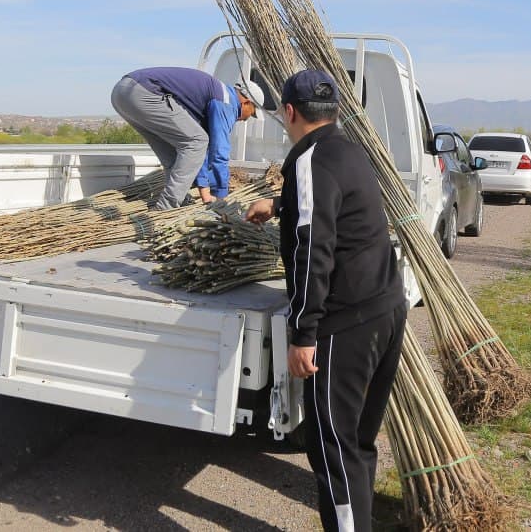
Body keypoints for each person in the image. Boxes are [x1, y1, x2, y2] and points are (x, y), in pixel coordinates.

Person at [246, 69, 407, 532]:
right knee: (356, 445)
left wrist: (303, 333)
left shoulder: (309, 162)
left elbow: (310, 251)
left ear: (289, 112)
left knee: (333, 452)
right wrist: (278, 206)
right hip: (385, 310)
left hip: (346, 325)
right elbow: (338, 208)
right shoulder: (348, 150)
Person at [111, 67, 264, 210]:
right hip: (143, 92)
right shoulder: (226, 102)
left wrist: (205, 195)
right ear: (246, 103)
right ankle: (166, 208)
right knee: (197, 141)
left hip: (122, 93)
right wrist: (221, 198)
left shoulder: (216, 97)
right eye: (252, 113)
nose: (247, 119)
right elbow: (219, 153)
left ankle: (179, 199)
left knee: (177, 152)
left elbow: (202, 153)